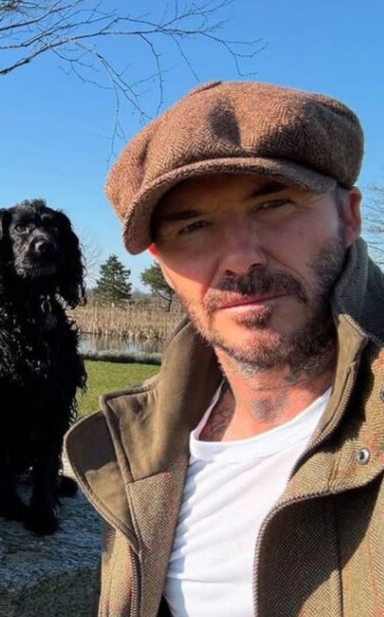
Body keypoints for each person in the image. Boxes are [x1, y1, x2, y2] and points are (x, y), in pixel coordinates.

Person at [65, 81, 383, 616]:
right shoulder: (142, 443)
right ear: (163, 264)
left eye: (275, 204)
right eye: (193, 226)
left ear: (348, 216)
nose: (240, 258)